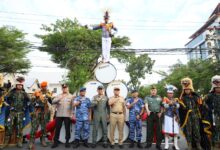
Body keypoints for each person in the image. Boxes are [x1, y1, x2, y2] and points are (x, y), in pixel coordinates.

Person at [4, 77, 31, 148]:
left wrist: (25, 107)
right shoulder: (11, 93)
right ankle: (6, 142)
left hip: (20, 112)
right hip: (12, 112)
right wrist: (10, 107)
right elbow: (5, 100)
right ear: (16, 85)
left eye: (21, 85)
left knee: (19, 127)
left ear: (22, 86)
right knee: (9, 125)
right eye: (18, 85)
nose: (20, 86)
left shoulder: (24, 93)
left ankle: (19, 141)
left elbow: (29, 101)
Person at [178, 77, 203, 150]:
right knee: (188, 131)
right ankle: (189, 145)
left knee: (197, 130)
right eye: (185, 90)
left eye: (188, 89)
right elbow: (180, 109)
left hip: (195, 116)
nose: (187, 91)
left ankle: (198, 145)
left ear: (190, 89)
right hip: (187, 117)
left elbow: (200, 105)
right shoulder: (182, 98)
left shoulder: (196, 96)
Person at [28, 84, 52, 149]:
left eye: (45, 86)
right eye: (43, 86)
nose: (44, 87)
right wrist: (35, 97)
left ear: (46, 87)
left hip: (45, 113)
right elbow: (31, 102)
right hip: (37, 112)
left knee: (44, 127)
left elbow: (52, 102)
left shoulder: (49, 93)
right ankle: (31, 141)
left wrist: (49, 98)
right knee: (34, 127)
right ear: (41, 87)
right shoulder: (37, 92)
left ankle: (43, 140)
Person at [51, 84, 73, 148]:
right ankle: (55, 142)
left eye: (66, 88)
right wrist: (59, 98)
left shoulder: (71, 96)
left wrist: (72, 114)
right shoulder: (59, 95)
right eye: (63, 88)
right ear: (62, 89)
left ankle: (67, 142)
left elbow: (72, 106)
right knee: (57, 128)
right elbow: (53, 101)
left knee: (67, 129)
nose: (64, 89)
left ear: (68, 88)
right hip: (59, 115)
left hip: (67, 115)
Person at [203, 75, 220, 150]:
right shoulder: (209, 95)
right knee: (215, 130)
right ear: (214, 87)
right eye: (216, 88)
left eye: (219, 87)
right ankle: (215, 145)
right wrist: (208, 108)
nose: (218, 89)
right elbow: (203, 103)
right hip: (214, 116)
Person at [144, 85, 162, 150]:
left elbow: (161, 105)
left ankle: (158, 144)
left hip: (158, 115)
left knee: (158, 130)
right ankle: (148, 144)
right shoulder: (147, 97)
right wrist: (147, 110)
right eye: (152, 90)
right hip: (150, 114)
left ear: (156, 91)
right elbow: (146, 104)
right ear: (150, 91)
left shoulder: (159, 97)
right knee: (149, 130)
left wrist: (161, 112)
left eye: (154, 90)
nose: (153, 92)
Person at [162, 85, 180, 150]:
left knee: (175, 131)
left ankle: (175, 145)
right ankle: (166, 145)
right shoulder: (165, 99)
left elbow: (178, 106)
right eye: (169, 93)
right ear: (167, 93)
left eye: (171, 93)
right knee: (167, 130)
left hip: (175, 116)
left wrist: (174, 103)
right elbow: (164, 106)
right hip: (167, 116)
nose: (170, 94)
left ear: (173, 93)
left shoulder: (176, 99)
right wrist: (170, 103)